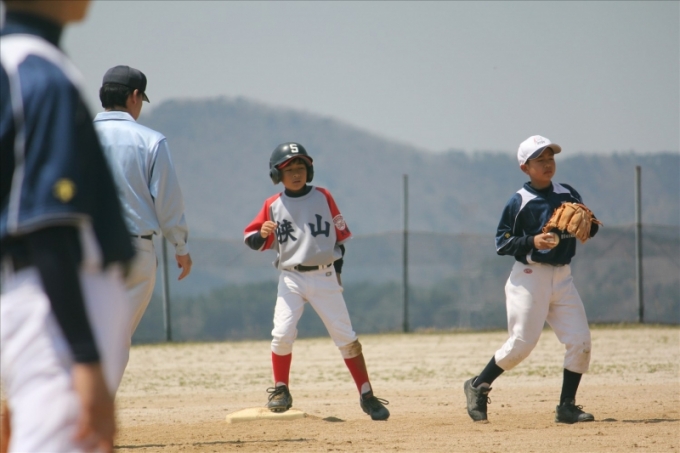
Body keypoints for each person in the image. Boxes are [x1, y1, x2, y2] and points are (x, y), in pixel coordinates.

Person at [0, 1, 136, 451]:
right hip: (55, 301)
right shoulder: (39, 72)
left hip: (37, 294)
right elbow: (48, 224)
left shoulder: (18, 65)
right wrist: (84, 357)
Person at [244, 143, 390, 421]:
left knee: (346, 337)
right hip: (291, 277)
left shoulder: (323, 196)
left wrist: (337, 273)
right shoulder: (272, 205)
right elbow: (252, 240)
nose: (296, 174)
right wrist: (262, 233)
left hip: (324, 275)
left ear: (309, 171)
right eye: (289, 169)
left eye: (301, 168)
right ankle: (280, 390)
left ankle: (367, 395)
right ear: (277, 174)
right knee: (282, 334)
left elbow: (340, 239)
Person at [463, 135, 599, 424]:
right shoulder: (519, 201)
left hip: (563, 277)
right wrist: (533, 240)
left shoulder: (567, 193)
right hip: (529, 277)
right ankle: (478, 385)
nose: (548, 164)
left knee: (580, 341)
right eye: (540, 160)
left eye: (550, 158)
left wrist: (587, 223)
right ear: (525, 167)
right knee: (521, 344)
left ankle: (566, 407)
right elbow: (502, 243)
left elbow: (590, 228)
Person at [93, 65, 192, 355]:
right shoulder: (150, 140)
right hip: (134, 249)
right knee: (117, 338)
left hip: (83, 245)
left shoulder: (75, 135)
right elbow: (167, 200)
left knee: (85, 336)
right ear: (135, 96)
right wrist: (180, 245)